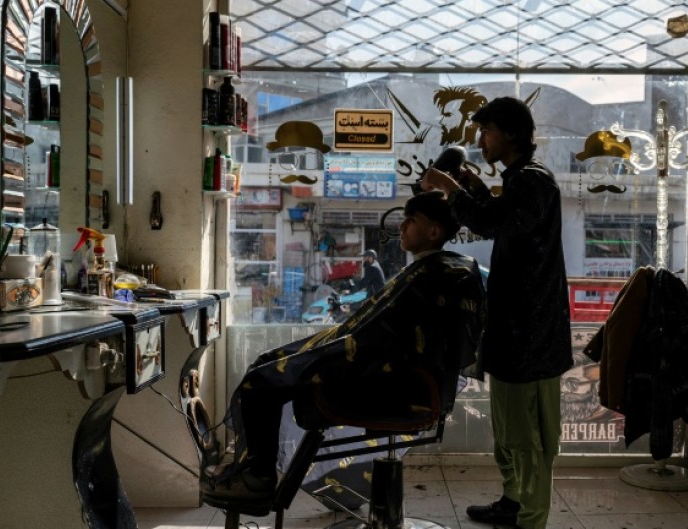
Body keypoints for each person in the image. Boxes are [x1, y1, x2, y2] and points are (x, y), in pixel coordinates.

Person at [199, 191, 487, 516]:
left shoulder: (429, 277)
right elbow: (374, 335)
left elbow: (369, 341)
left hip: (398, 386)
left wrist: (313, 359)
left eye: (411, 221)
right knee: (268, 365)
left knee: (260, 381)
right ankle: (254, 474)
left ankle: (256, 480)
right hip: (412, 382)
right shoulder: (444, 271)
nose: (402, 226)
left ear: (433, 232)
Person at [421, 96, 573, 529]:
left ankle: (531, 517)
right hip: (513, 329)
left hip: (532, 334)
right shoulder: (522, 181)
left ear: (510, 133)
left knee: (530, 438)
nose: (480, 140)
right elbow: (501, 215)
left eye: (486, 131)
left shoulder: (534, 180)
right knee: (508, 432)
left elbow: (493, 223)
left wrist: (451, 190)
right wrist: (473, 189)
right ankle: (512, 502)